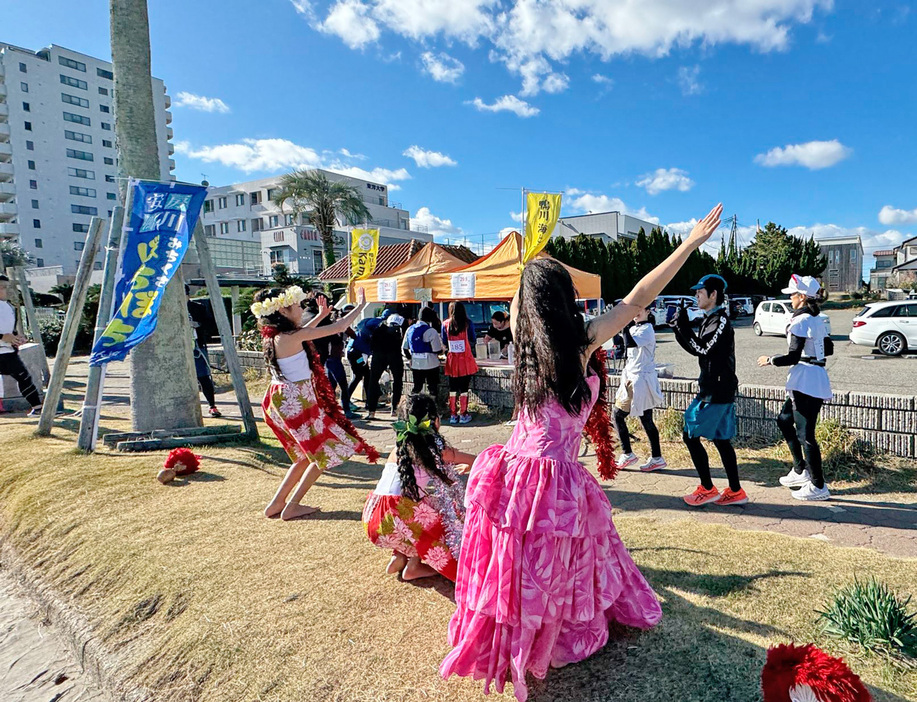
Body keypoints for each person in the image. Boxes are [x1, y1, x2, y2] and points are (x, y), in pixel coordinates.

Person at [441, 204, 723, 701]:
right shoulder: (581, 343)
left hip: (517, 472)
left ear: (526, 306)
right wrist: (688, 245)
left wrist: (529, 268)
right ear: (565, 300)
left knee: (522, 566)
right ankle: (546, 640)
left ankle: (524, 640)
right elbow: (639, 297)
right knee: (552, 566)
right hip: (549, 476)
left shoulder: (523, 347)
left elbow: (529, 300)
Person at [255, 286, 379, 520]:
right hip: (296, 399)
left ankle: (277, 503)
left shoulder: (276, 336)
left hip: (280, 398)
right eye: (297, 306)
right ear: (282, 310)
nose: (301, 309)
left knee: (305, 456)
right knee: (323, 453)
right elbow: (340, 327)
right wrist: (362, 306)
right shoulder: (290, 336)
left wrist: (321, 315)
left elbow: (303, 333)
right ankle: (291, 505)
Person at [362, 393, 476, 581]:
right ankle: (414, 566)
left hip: (373, 518)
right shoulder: (437, 450)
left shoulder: (399, 447)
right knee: (443, 520)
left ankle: (399, 556)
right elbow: (479, 460)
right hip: (395, 516)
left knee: (424, 506)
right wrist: (471, 464)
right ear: (435, 421)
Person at [670, 274, 748, 507]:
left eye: (700, 292)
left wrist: (681, 327)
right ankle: (735, 491)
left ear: (713, 295)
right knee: (721, 440)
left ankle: (707, 488)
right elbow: (698, 348)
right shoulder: (710, 318)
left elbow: (702, 349)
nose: (696, 295)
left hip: (716, 390)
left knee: (690, 434)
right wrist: (678, 327)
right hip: (717, 387)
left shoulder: (721, 320)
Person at [757, 275, 833, 501]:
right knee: (783, 419)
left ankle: (818, 485)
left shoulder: (801, 321)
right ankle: (800, 470)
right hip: (811, 377)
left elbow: (792, 356)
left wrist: (769, 360)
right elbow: (828, 348)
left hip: (806, 380)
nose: (790, 298)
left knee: (805, 434)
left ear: (802, 297)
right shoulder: (817, 319)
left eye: (792, 294)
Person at [614, 305, 666, 472]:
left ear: (648, 311)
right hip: (633, 378)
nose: (635, 314)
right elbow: (621, 343)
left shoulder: (647, 329)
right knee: (645, 419)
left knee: (617, 415)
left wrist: (624, 324)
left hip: (640, 380)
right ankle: (657, 457)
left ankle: (628, 453)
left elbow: (630, 343)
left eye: (639, 310)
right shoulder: (637, 328)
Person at [0, 275, 42, 416]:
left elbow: (9, 329)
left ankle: (37, 407)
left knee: (24, 378)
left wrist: (17, 337)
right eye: (2, 287)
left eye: (6, 287)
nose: (5, 290)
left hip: (7, 352)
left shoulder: (10, 307)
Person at [186, 288, 221, 418]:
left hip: (197, 346)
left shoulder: (198, 308)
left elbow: (210, 325)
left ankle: (212, 405)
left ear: (188, 295)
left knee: (203, 376)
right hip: (179, 348)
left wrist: (197, 324)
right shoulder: (169, 308)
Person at [442, 301, 477, 425]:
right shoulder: (468, 324)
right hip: (465, 359)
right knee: (464, 388)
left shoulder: (445, 324)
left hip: (452, 360)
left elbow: (444, 341)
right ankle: (463, 414)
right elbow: (473, 339)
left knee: (452, 387)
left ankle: (453, 414)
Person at [366, 310, 405, 421]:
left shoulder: (378, 329)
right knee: (397, 381)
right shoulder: (398, 330)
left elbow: (372, 345)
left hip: (378, 356)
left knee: (373, 381)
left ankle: (371, 411)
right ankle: (394, 409)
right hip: (395, 356)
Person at [403, 306, 444, 400]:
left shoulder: (410, 329)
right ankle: (432, 409)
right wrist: (443, 350)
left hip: (416, 364)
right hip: (431, 364)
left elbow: (404, 348)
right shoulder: (431, 331)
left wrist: (410, 358)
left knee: (417, 387)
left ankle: (411, 405)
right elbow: (436, 350)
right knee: (432, 388)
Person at [347, 313, 379, 407]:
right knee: (358, 376)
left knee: (366, 375)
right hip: (357, 356)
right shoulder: (366, 335)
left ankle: (369, 401)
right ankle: (346, 400)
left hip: (355, 355)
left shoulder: (362, 331)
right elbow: (367, 349)